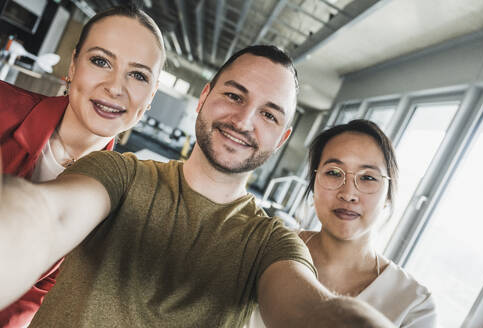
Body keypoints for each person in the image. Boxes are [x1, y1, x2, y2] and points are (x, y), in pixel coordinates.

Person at [0, 47, 394, 327]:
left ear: (282, 137)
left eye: (268, 115)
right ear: (204, 96)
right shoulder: (116, 173)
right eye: (233, 95)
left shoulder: (272, 245)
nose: (243, 120)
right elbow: (47, 215)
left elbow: (308, 311)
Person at [0, 5, 165, 327]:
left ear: (151, 96)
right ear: (73, 65)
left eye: (138, 75)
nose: (115, 87)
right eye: (101, 61)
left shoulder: (122, 208)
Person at [246, 120, 437, 328]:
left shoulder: (414, 305)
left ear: (388, 196)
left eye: (368, 178)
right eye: (334, 173)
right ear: (313, 184)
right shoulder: (264, 246)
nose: (348, 194)